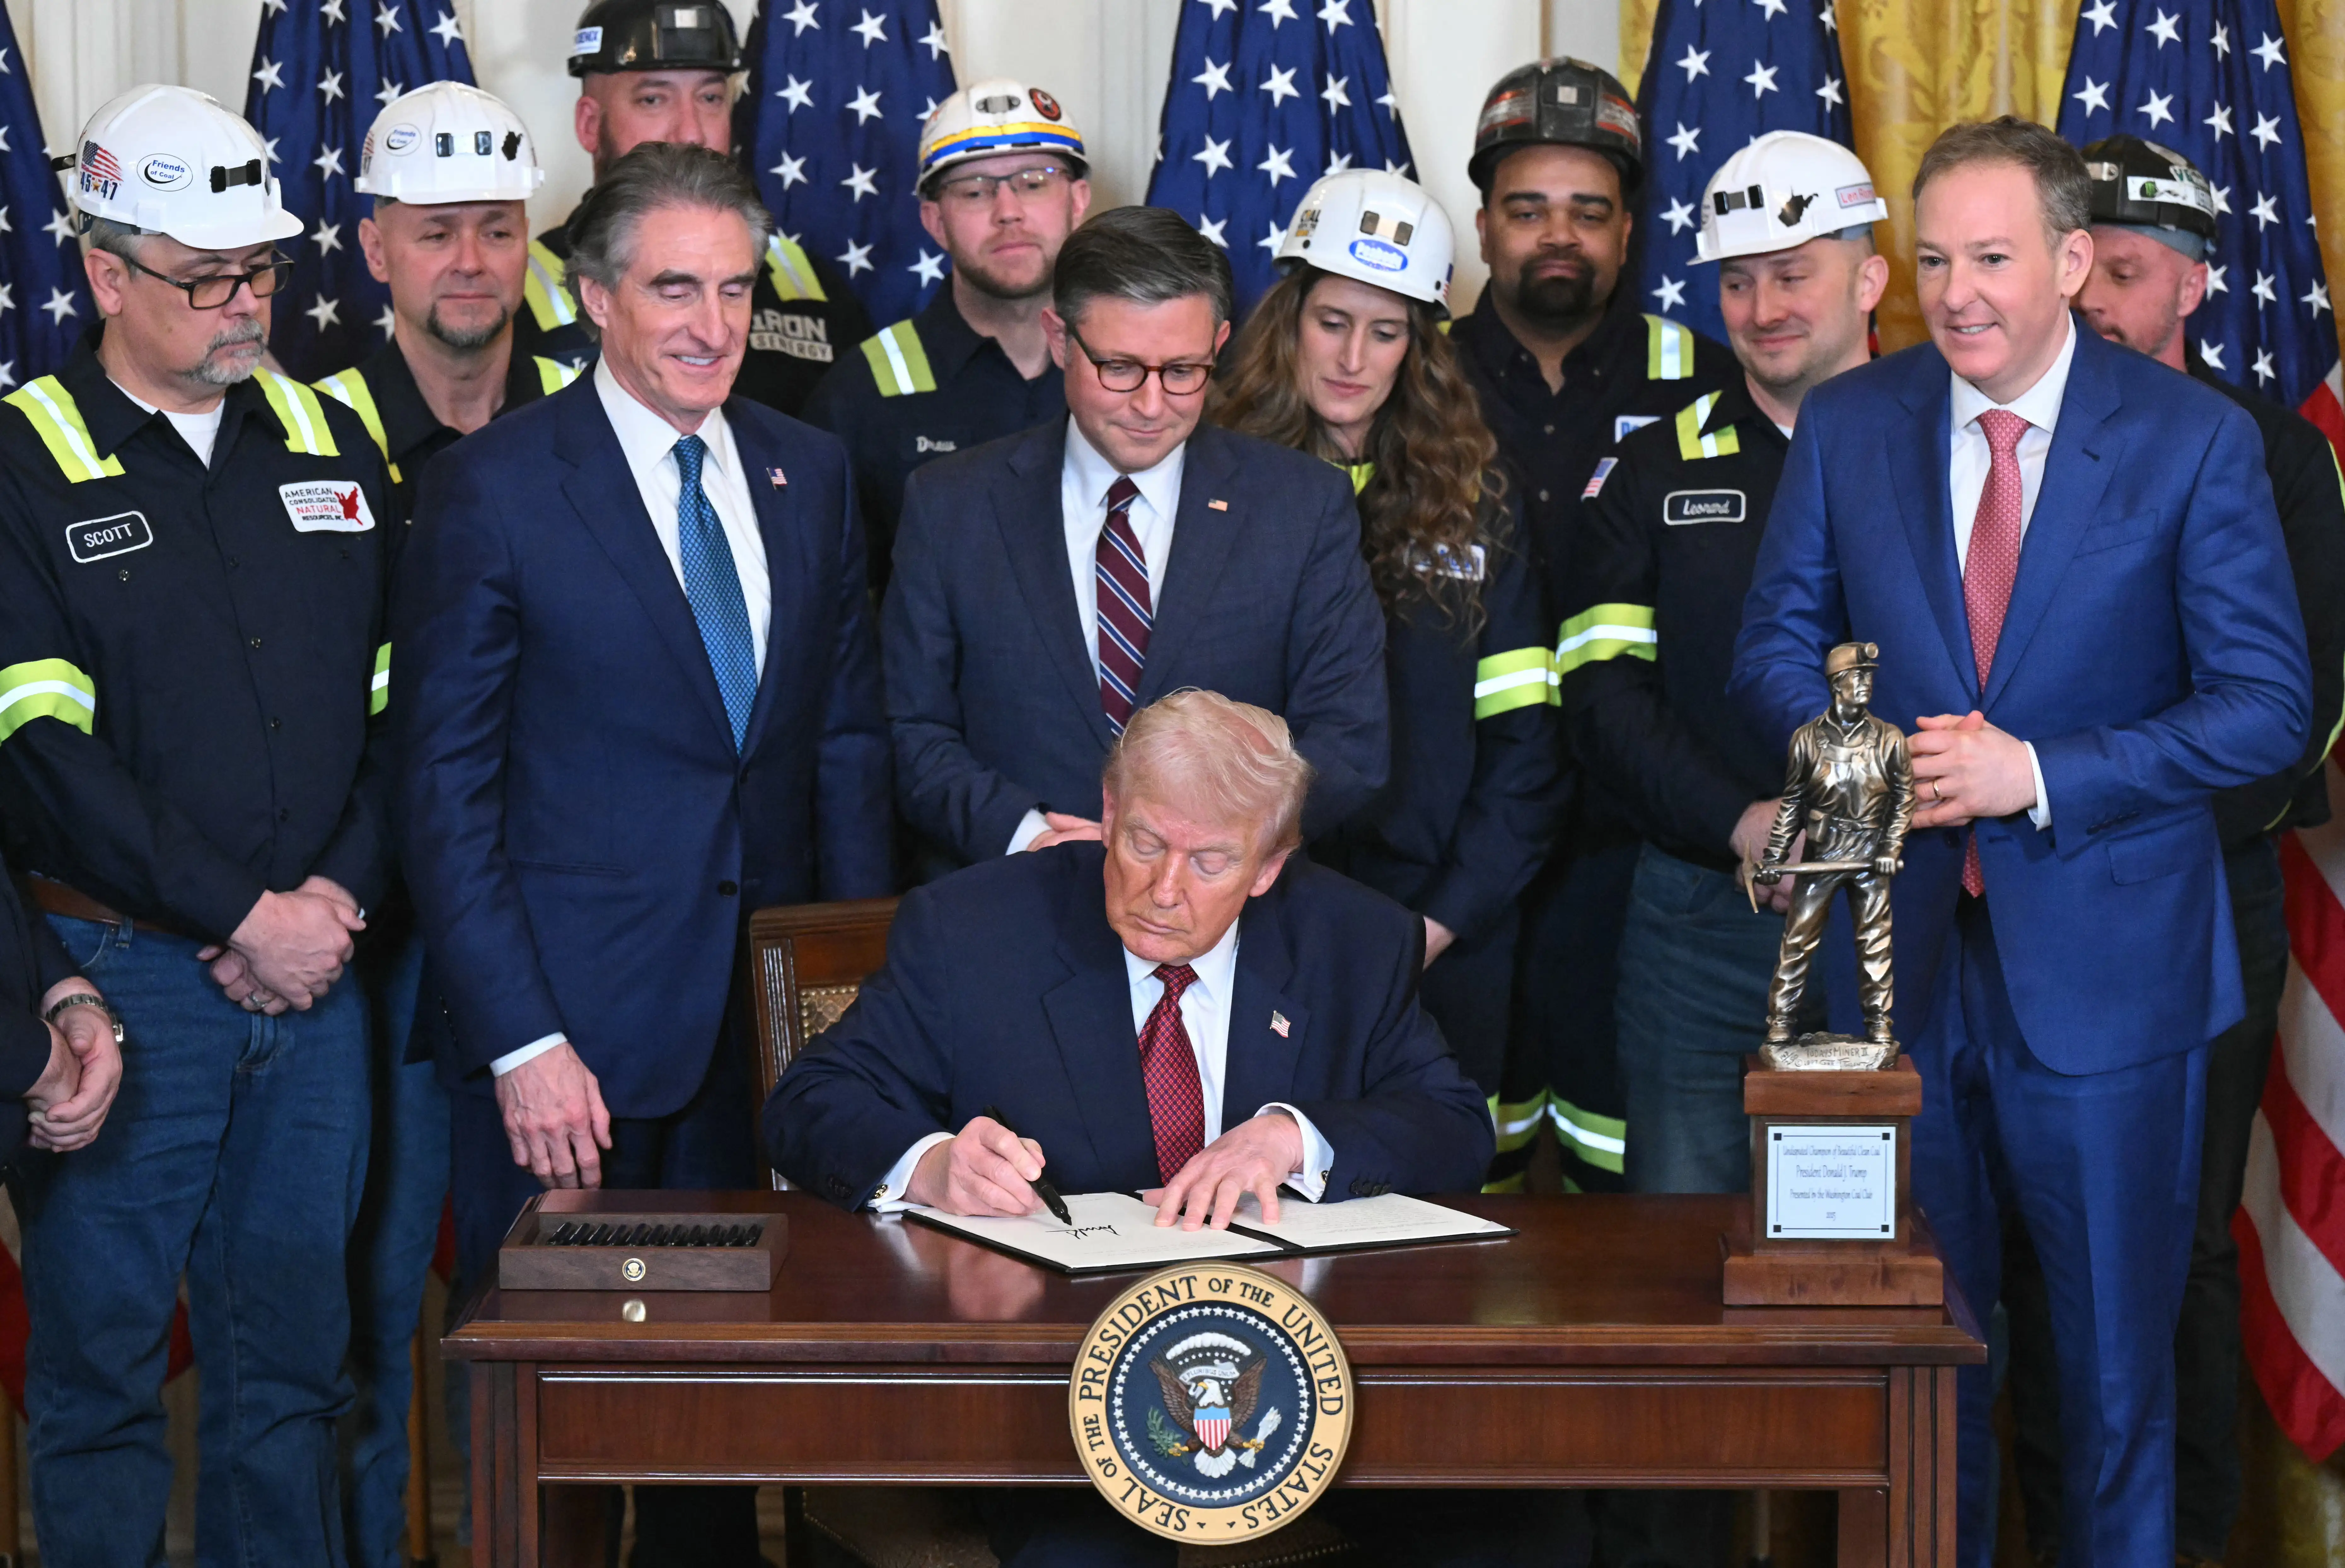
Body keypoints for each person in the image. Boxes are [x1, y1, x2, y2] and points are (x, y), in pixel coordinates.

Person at [1731, 117, 2313, 1568]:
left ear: (2068, 259)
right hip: (1904, 972)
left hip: (2114, 979)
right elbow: (1770, 645)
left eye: (1990, 257)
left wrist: (2035, 772)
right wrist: (1857, 747)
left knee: (2115, 1374)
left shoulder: (2194, 440)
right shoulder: (1857, 421)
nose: (1960, 292)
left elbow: (2265, 712)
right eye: (1932, 260)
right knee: (1926, 1357)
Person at [767, 689, 1576, 1568]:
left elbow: (1454, 1126)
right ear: (1109, 812)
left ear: (1269, 866)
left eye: (1211, 862)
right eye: (1146, 842)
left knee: (1522, 1532)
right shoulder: (975, 929)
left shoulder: (1352, 939)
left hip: (1306, 1382)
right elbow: (810, 1100)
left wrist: (1291, 1138)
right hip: (1058, 1394)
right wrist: (929, 1166)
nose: (1165, 890)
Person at [395, 141, 892, 1564]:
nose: (710, 325)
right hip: (574, 1059)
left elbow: (845, 747)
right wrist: (520, 1042)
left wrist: (844, 1013)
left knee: (717, 1435)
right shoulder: (494, 489)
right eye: (675, 288)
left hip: (765, 1046)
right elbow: (444, 793)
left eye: (735, 291)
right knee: (554, 1448)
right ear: (593, 297)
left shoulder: (809, 472)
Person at [0, 84, 396, 1565]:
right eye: (207, 276)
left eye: (262, 271)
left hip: (321, 978)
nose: (246, 304)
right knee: (101, 1374)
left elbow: (400, 709)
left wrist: (331, 904)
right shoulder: (25, 457)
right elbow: (42, 753)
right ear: (106, 274)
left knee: (291, 1371)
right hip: (122, 981)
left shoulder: (333, 435)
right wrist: (245, 916)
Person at [1997, 133, 2345, 1568]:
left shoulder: (2271, 457)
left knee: (2176, 1244)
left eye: (2120, 274)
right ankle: (2035, 1529)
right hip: (2006, 908)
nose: (2085, 302)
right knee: (2020, 1245)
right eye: (2067, 265)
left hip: (2191, 901)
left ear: (2194, 284)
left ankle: (2188, 1542)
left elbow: (2292, 713)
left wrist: (2094, 824)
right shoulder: (1986, 445)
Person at [314, 80, 577, 1568]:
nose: (469, 261)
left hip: (539, 923)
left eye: (495, 228)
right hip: (363, 925)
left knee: (528, 1283)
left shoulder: (583, 414)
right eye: (436, 234)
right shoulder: (300, 420)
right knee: (359, 1280)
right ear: (377, 250)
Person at [1561, 131, 1891, 1191]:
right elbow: (1603, 695)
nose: (1763, 307)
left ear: (1871, 276)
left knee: (1898, 1248)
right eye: (1738, 281)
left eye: (1794, 274)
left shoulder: (1956, 452)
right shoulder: (1653, 469)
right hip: (1704, 912)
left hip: (1912, 906)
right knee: (1683, 1245)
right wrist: (1739, 822)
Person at [882, 205, 1390, 881]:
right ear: (1060, 339)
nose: (1152, 405)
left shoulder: (1303, 507)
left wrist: (1198, 852)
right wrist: (1028, 836)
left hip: (1234, 923)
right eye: (1119, 367)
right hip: (1010, 904)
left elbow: (1350, 741)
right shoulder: (951, 505)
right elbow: (912, 732)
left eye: (1183, 371)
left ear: (1220, 343)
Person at [1209, 169, 1561, 1131]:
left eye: (1387, 330)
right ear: (1288, 319)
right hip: (1251, 920)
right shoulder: (1213, 475)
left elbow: (1526, 752)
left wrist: (1431, 928)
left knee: (1436, 1211)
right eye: (1332, 322)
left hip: (1440, 930)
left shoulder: (1479, 496)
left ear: (1421, 345)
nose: (1353, 358)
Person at [1452, 56, 1738, 1192]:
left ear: (1631, 231)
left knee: (1641, 1177)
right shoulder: (1409, 378)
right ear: (1483, 224)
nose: (1556, 235)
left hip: (1650, 855)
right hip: (1457, 848)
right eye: (1528, 209)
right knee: (1456, 1167)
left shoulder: (1709, 382)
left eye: (1589, 210)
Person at [802, 78, 1088, 588]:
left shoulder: (1130, 373)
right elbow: (830, 601)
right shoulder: (860, 394)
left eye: (1036, 181)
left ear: (1079, 199)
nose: (1008, 212)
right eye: (975, 191)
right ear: (935, 221)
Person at [525, 0, 873, 408]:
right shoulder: (515, 293)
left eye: (710, 98)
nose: (690, 132)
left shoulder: (811, 291)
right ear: (589, 124)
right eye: (654, 100)